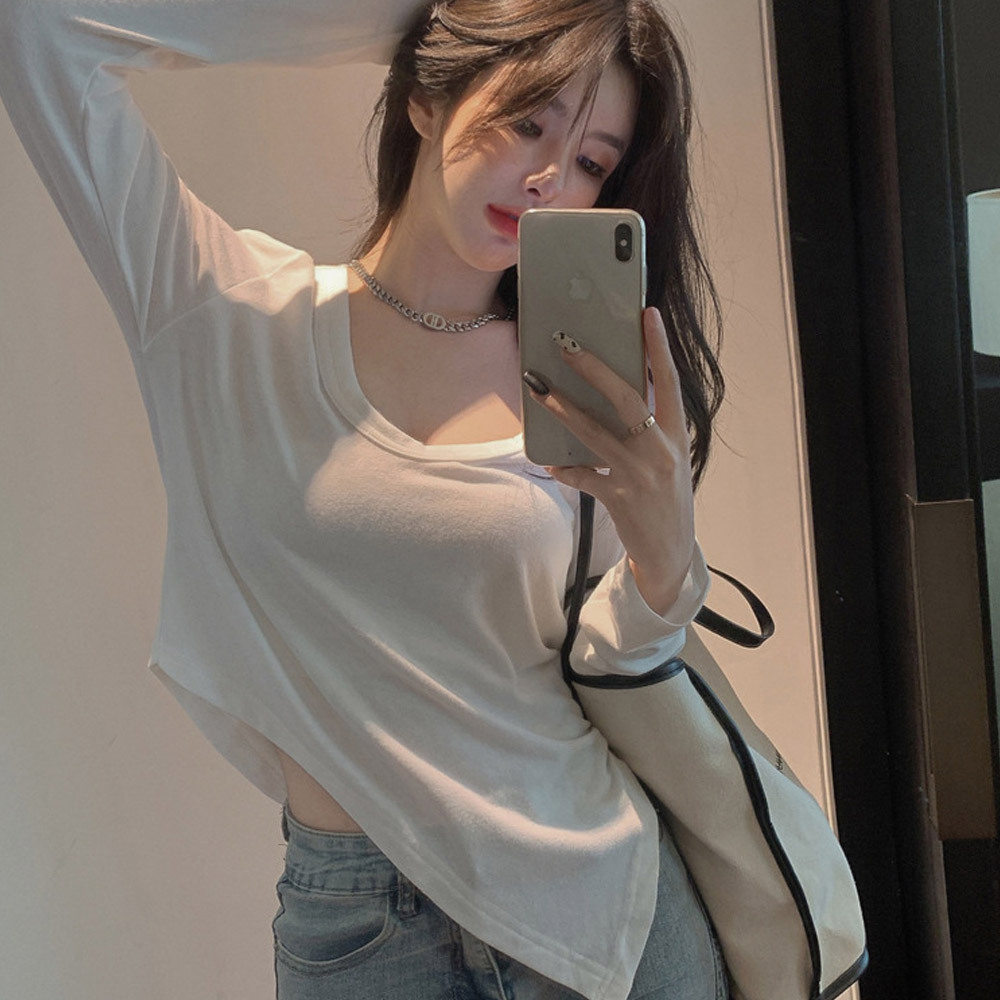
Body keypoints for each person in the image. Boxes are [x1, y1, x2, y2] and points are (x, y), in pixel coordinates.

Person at [0, 1, 727, 998]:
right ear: (425, 97)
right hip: (358, 933)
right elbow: (46, 28)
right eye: (529, 121)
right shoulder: (223, 312)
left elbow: (615, 662)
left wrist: (666, 558)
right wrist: (436, 20)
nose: (553, 177)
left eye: (594, 161)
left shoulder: (574, 377)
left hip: (600, 917)